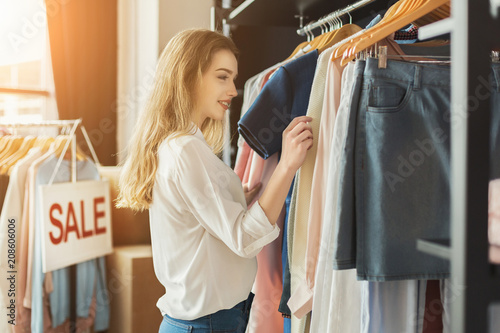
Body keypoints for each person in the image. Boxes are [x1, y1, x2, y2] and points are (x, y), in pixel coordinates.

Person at [117, 28, 313, 333]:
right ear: (189, 77)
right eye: (222, 77)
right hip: (206, 326)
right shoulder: (186, 150)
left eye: (233, 79)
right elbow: (245, 239)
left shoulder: (177, 145)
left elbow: (199, 222)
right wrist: (287, 164)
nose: (234, 90)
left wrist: (236, 200)